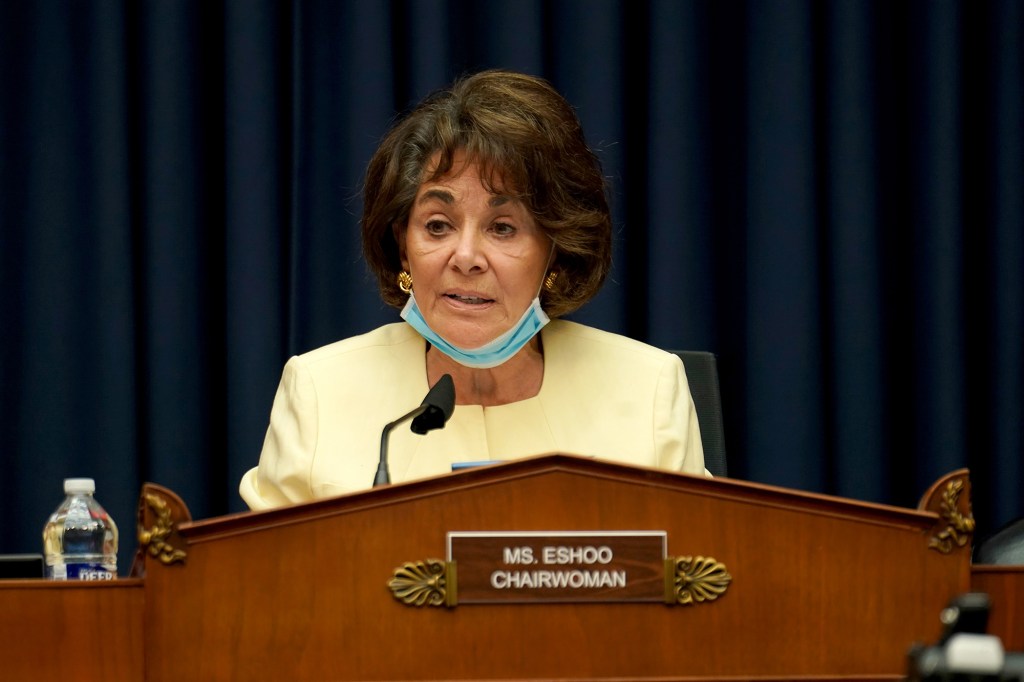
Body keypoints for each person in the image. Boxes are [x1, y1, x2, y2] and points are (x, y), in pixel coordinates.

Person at [239, 70, 706, 510]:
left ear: (557, 252)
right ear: (402, 247)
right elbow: (264, 581)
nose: (465, 257)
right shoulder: (320, 390)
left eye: (502, 228)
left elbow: (701, 576)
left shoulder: (647, 390)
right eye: (437, 225)